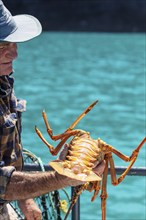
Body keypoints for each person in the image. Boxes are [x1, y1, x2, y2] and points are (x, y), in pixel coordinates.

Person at [0, 1, 105, 219]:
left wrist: (26, 201)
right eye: (2, 47)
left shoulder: (4, 82)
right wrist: (63, 178)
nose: (14, 54)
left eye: (14, 44)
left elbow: (10, 155)